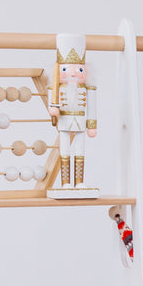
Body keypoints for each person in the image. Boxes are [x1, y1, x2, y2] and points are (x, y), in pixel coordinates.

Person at [48, 33, 97, 188]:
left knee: (80, 151)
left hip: (81, 123)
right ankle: (66, 182)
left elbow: (92, 108)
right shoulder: (55, 88)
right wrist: (53, 109)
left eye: (79, 69)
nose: (73, 73)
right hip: (64, 122)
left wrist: (92, 125)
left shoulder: (89, 89)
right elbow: (52, 104)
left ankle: (79, 182)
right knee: (65, 151)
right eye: (65, 69)